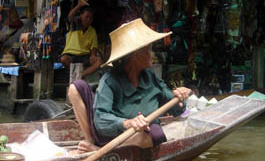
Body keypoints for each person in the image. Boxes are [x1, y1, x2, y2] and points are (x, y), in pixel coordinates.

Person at [67, 18, 192, 153]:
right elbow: (100, 121)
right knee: (75, 88)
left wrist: (179, 97)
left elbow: (176, 110)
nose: (153, 55)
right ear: (136, 55)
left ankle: (100, 152)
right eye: (149, 50)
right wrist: (127, 123)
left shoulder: (150, 78)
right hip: (111, 136)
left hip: (138, 138)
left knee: (155, 134)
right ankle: (94, 146)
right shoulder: (110, 80)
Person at [60, 0, 102, 79]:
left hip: (85, 56)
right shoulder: (74, 24)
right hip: (71, 55)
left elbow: (94, 46)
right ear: (81, 16)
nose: (88, 20)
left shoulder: (92, 30)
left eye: (90, 18)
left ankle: (80, 75)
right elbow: (70, 17)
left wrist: (93, 55)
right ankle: (79, 76)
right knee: (64, 59)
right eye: (86, 17)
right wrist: (79, 5)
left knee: (99, 61)